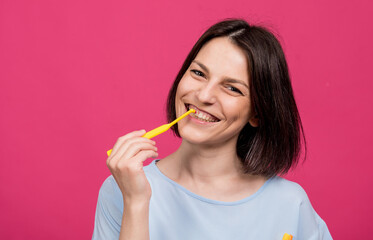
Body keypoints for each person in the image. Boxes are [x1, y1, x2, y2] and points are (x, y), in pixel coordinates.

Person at [92, 19, 333, 240]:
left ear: (257, 114)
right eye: (198, 73)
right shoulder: (121, 191)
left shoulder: (290, 205)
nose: (204, 95)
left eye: (232, 88)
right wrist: (135, 203)